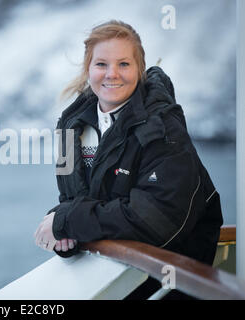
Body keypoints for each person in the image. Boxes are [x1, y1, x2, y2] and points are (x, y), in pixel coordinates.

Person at [34, 20, 223, 298]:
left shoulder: (163, 127)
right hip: (108, 272)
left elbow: (156, 220)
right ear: (88, 69)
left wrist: (67, 221)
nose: (112, 74)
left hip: (172, 280)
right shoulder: (68, 129)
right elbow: (72, 201)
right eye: (101, 64)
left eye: (124, 64)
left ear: (140, 69)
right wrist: (67, 235)